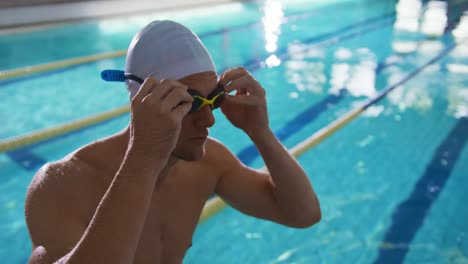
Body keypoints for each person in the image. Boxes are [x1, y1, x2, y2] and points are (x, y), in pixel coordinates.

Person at [25, 20, 321, 264]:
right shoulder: (61, 183)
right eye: (187, 102)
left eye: (213, 99)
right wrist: (144, 158)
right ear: (141, 103)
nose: (208, 120)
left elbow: (302, 214)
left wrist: (261, 132)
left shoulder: (209, 162)